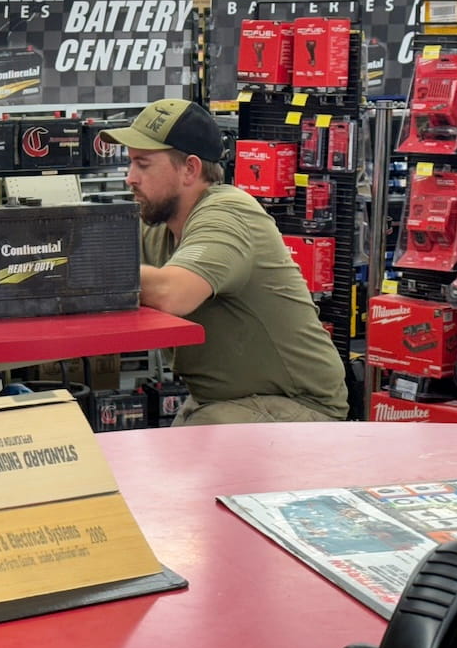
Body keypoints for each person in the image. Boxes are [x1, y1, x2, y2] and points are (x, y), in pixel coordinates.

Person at [99, 98, 348, 426]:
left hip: (300, 407)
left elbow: (173, 293)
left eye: (143, 164)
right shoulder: (159, 224)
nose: (130, 178)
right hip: (227, 401)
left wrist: (87, 272)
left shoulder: (228, 213)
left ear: (190, 169)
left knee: (190, 443)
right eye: (130, 163)